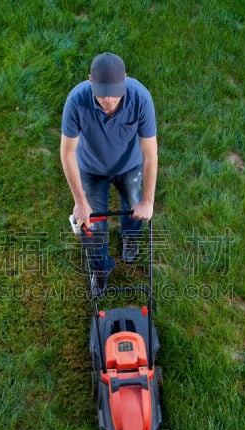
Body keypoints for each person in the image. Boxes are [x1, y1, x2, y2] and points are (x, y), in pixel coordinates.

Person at [60, 52, 158, 296]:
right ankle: (100, 270)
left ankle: (130, 237)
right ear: (90, 82)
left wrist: (148, 201)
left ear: (125, 80)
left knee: (135, 208)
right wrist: (80, 202)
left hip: (129, 166)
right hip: (91, 170)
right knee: (93, 225)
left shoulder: (140, 98)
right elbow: (67, 153)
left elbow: (150, 153)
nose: (109, 101)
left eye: (115, 93)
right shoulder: (76, 101)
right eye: (102, 94)